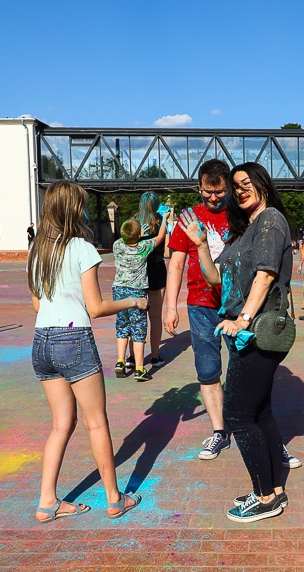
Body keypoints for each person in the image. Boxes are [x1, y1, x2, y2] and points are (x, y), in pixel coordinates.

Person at [177, 162, 295, 523]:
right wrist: (199, 245)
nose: (240, 191)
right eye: (237, 186)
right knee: (259, 412)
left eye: (247, 184)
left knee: (238, 415)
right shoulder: (244, 229)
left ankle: (263, 498)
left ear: (262, 184)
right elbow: (215, 278)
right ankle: (273, 490)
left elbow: (266, 274)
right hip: (246, 331)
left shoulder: (271, 219)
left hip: (259, 329)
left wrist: (242, 318)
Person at [28, 181, 146, 523]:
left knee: (60, 425)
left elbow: (37, 303)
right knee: (96, 423)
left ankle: (47, 502)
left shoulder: (37, 250)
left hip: (42, 341)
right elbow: (95, 308)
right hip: (73, 338)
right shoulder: (81, 247)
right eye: (81, 206)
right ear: (73, 210)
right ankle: (114, 499)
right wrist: (133, 301)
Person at [165, 158, 233, 460]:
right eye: (208, 192)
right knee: (208, 371)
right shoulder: (189, 218)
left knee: (246, 366)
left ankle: (250, 425)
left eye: (219, 192)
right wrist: (170, 307)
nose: (214, 198)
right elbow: (176, 263)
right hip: (200, 305)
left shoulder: (241, 213)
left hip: (235, 305)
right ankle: (219, 431)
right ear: (199, 187)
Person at [112, 216, 168, 382]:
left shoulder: (117, 245)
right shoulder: (144, 246)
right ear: (138, 236)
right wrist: (164, 219)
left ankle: (120, 361)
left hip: (119, 290)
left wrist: (137, 234)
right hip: (137, 293)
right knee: (138, 329)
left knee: (122, 325)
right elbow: (160, 237)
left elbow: (127, 237)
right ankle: (139, 369)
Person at [135, 192, 168, 368]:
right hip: (156, 269)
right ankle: (155, 356)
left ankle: (133, 357)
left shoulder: (133, 222)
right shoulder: (160, 221)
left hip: (137, 272)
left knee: (135, 315)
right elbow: (165, 244)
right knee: (155, 317)